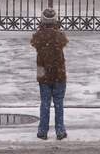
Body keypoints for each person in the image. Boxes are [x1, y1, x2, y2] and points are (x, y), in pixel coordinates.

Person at [31, 8, 68, 140]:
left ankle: (42, 131)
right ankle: (60, 130)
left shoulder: (38, 36)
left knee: (44, 104)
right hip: (59, 73)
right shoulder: (59, 36)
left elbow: (34, 42)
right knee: (59, 104)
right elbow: (64, 41)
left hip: (43, 74)